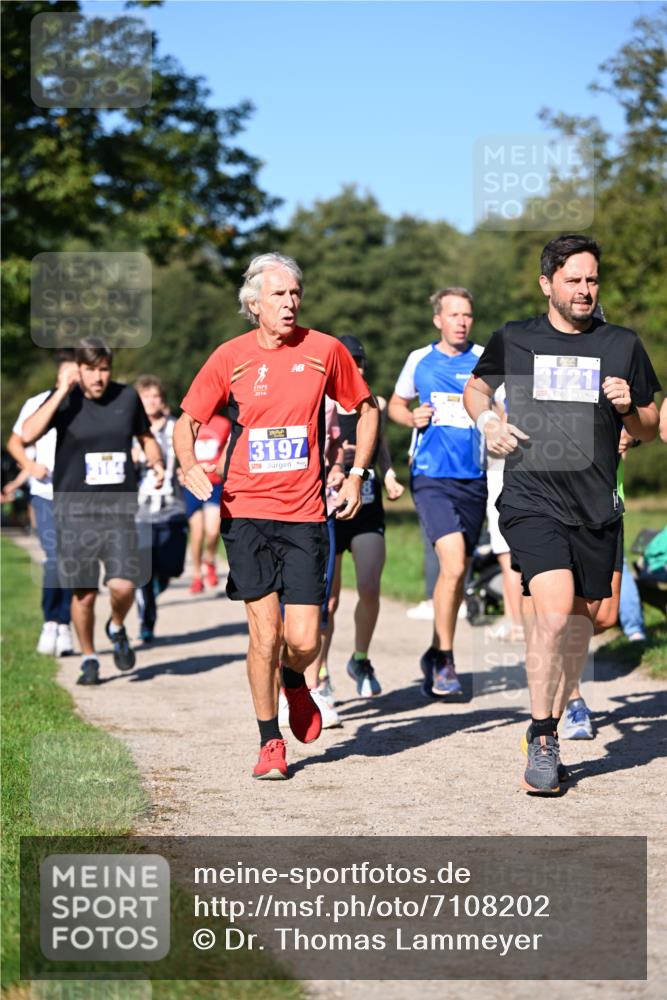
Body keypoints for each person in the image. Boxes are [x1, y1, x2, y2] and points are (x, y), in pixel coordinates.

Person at [463, 234, 660, 794]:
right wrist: (490, 424)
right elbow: (477, 389)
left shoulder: (621, 344)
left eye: (592, 280)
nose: (584, 290)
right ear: (547, 283)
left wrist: (630, 409)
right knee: (551, 616)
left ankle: (566, 697)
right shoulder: (515, 338)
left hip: (596, 505)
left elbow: (651, 424)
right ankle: (543, 736)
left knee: (589, 620)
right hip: (532, 498)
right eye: (573, 280)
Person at [174, 252, 379, 781]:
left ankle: (296, 680)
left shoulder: (325, 350)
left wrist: (356, 473)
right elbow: (187, 420)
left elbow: (368, 408)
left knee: (306, 639)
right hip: (245, 511)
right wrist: (188, 464)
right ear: (254, 303)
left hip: (306, 513)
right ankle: (270, 742)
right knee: (265, 633)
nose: (290, 303)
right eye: (278, 295)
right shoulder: (231, 357)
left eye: (295, 294)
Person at [22, 339, 165, 685]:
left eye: (104, 369)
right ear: (78, 369)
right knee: (83, 594)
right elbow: (27, 434)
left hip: (117, 511)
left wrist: (157, 462)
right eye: (90, 369)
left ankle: (116, 626)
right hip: (74, 513)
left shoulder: (127, 397)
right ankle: (89, 657)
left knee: (123, 587)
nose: (98, 377)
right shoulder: (65, 401)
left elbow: (145, 436)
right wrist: (59, 390)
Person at [389, 287, 485, 697]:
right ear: (438, 320)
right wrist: (410, 416)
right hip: (430, 476)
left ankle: (433, 651)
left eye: (467, 314)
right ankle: (445, 658)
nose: (461, 321)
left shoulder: (485, 358)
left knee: (459, 571)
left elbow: (502, 409)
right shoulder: (419, 360)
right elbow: (395, 404)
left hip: (474, 477)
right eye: (454, 314)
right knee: (453, 561)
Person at [317, 335, 404, 699]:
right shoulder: (320, 404)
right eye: (349, 361)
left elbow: (380, 447)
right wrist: (336, 460)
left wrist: (388, 475)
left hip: (367, 506)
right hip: (332, 507)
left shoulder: (374, 403)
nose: (356, 367)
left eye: (360, 362)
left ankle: (360, 659)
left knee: (369, 587)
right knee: (329, 600)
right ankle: (319, 673)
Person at [7, 350, 77, 656]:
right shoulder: (36, 403)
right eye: (69, 374)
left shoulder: (89, 405)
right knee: (54, 558)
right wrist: (31, 466)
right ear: (60, 375)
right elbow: (15, 442)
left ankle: (64, 625)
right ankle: (52, 620)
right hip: (46, 493)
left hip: (79, 496)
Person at [133, 376, 189, 643]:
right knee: (144, 570)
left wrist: (184, 469)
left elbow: (189, 454)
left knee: (170, 568)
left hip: (172, 507)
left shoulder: (176, 426)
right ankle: (147, 620)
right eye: (146, 397)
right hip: (139, 510)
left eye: (155, 396)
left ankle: (152, 592)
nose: (152, 401)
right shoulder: (129, 431)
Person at [182, 412, 230, 594]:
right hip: (193, 484)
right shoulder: (189, 422)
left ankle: (209, 560)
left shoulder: (223, 424)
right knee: (197, 532)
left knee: (212, 531)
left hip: (214, 484)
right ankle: (196, 575)